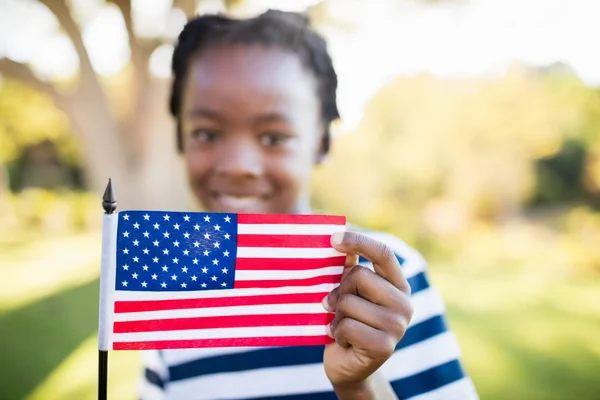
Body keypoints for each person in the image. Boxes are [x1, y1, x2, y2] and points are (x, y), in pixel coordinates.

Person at [139, 9, 478, 400]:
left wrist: (358, 385)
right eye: (207, 133)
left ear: (321, 141)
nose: (237, 166)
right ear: (181, 137)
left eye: (273, 137)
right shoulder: (164, 297)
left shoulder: (387, 282)